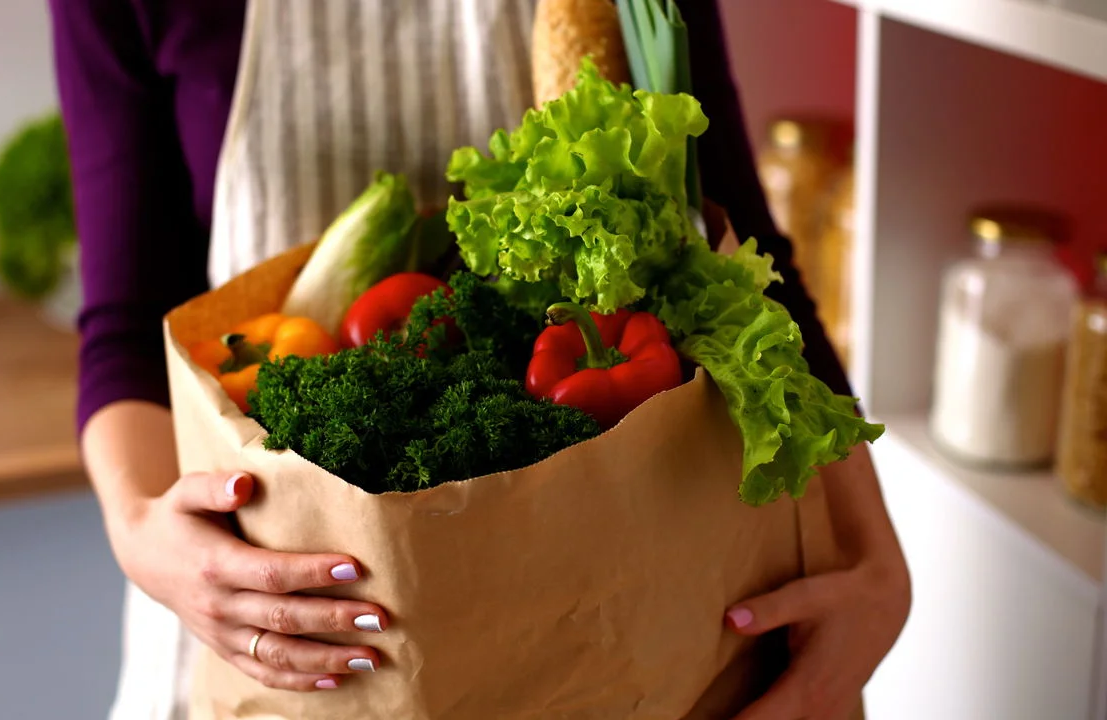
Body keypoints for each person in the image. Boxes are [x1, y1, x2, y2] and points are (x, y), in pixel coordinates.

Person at [46, 1, 912, 718]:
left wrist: (877, 561)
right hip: (280, 621)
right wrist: (139, 534)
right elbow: (126, 318)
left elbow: (734, 256)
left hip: (626, 600)